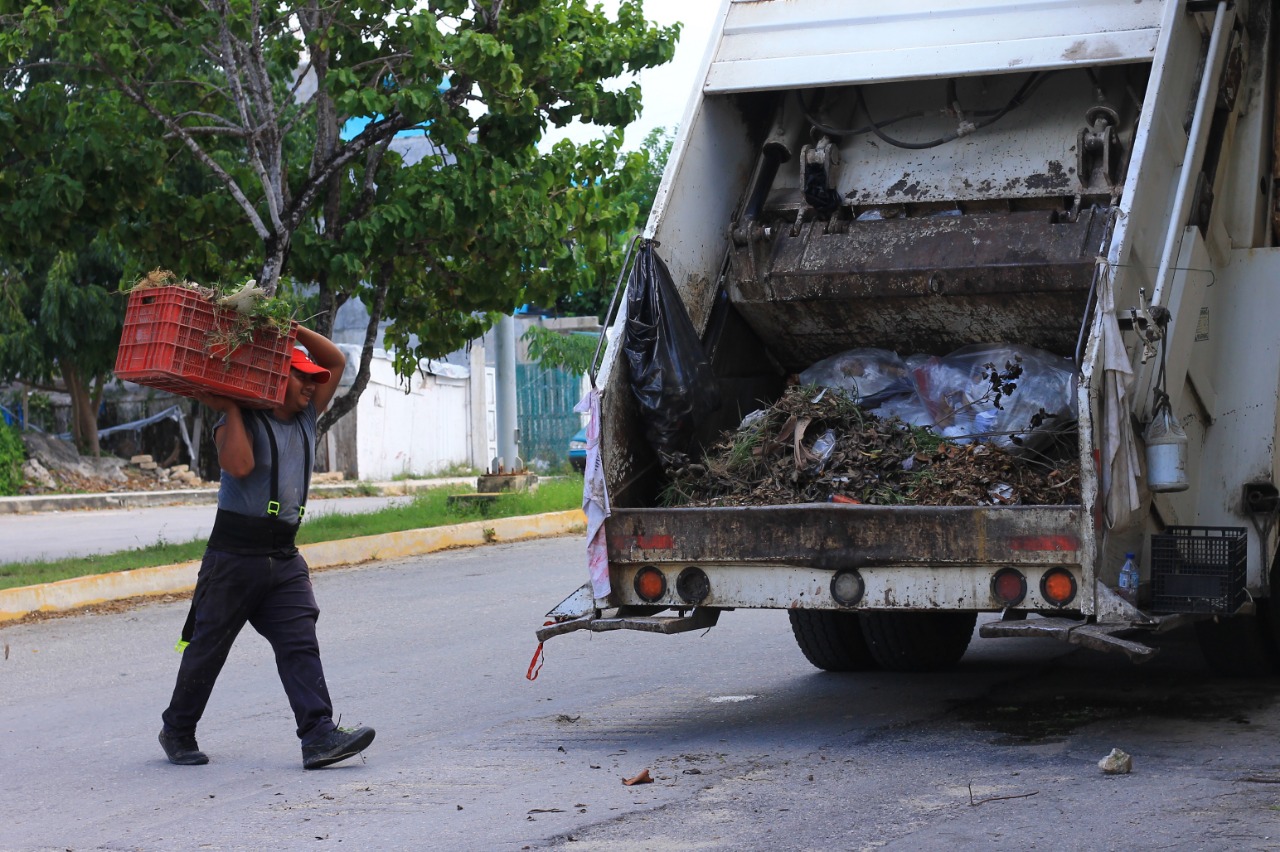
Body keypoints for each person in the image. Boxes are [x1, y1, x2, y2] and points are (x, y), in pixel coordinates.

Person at [158, 326, 375, 769]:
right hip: (234, 557)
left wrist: (293, 331)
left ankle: (318, 736)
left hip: (284, 557)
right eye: (301, 377)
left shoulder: (306, 415)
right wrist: (232, 405)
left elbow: (335, 362)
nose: (312, 384)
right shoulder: (235, 422)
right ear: (277, 378)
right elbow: (239, 465)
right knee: (208, 648)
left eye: (312, 379)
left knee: (300, 641)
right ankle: (177, 730)